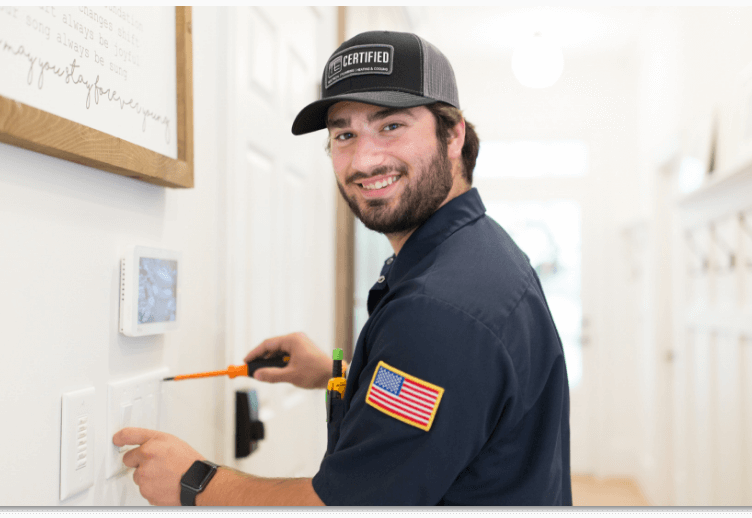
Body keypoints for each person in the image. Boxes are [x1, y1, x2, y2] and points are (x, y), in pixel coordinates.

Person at [114, 30, 572, 506]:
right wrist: (341, 376)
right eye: (344, 135)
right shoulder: (478, 250)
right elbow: (456, 408)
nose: (365, 159)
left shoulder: (439, 310)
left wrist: (195, 482)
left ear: (452, 133)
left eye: (391, 125)